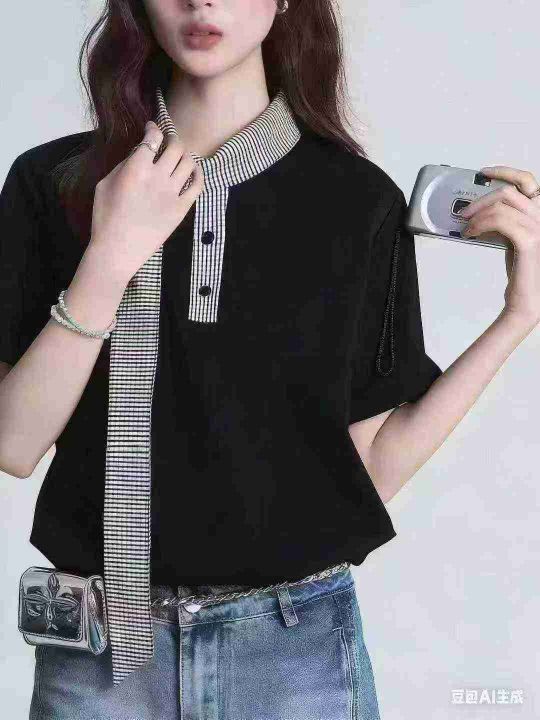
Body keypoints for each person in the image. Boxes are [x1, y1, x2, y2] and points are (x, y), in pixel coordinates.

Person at [1, 0, 539, 718]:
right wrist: (111, 254)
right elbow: (13, 443)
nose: (202, 2)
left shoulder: (356, 201)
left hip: (293, 657)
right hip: (99, 662)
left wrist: (518, 318)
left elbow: (369, 467)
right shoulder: (56, 181)